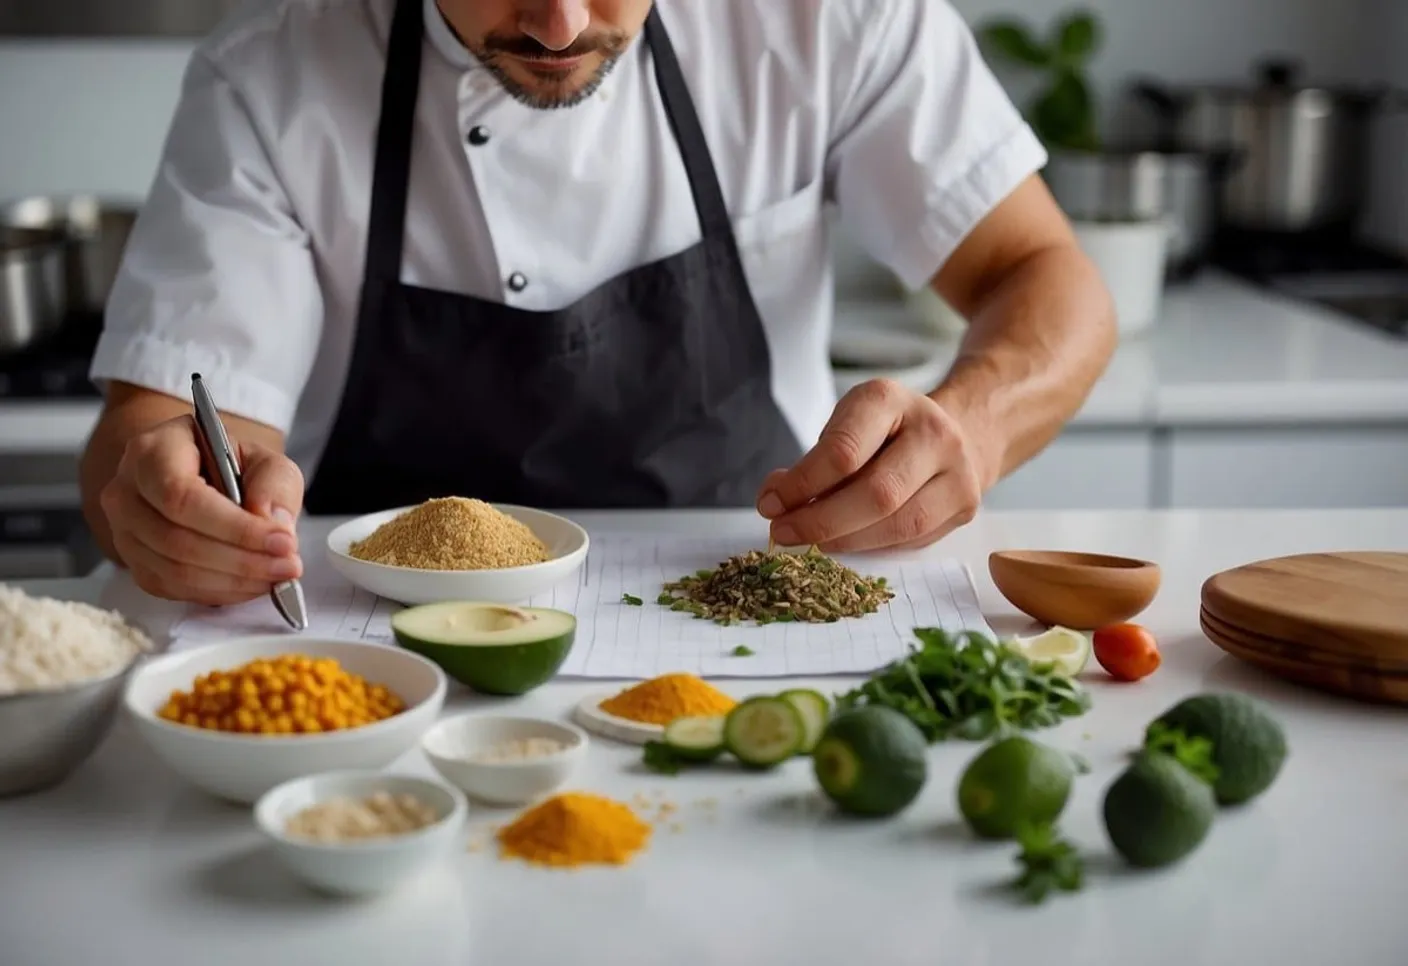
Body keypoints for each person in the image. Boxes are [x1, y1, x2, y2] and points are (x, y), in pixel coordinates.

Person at [79, 0, 1116, 608]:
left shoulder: (827, 21)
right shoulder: (268, 78)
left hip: (750, 608)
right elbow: (155, 426)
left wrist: (975, 427)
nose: (561, 24)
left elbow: (1044, 272)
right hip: (382, 660)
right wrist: (170, 502)